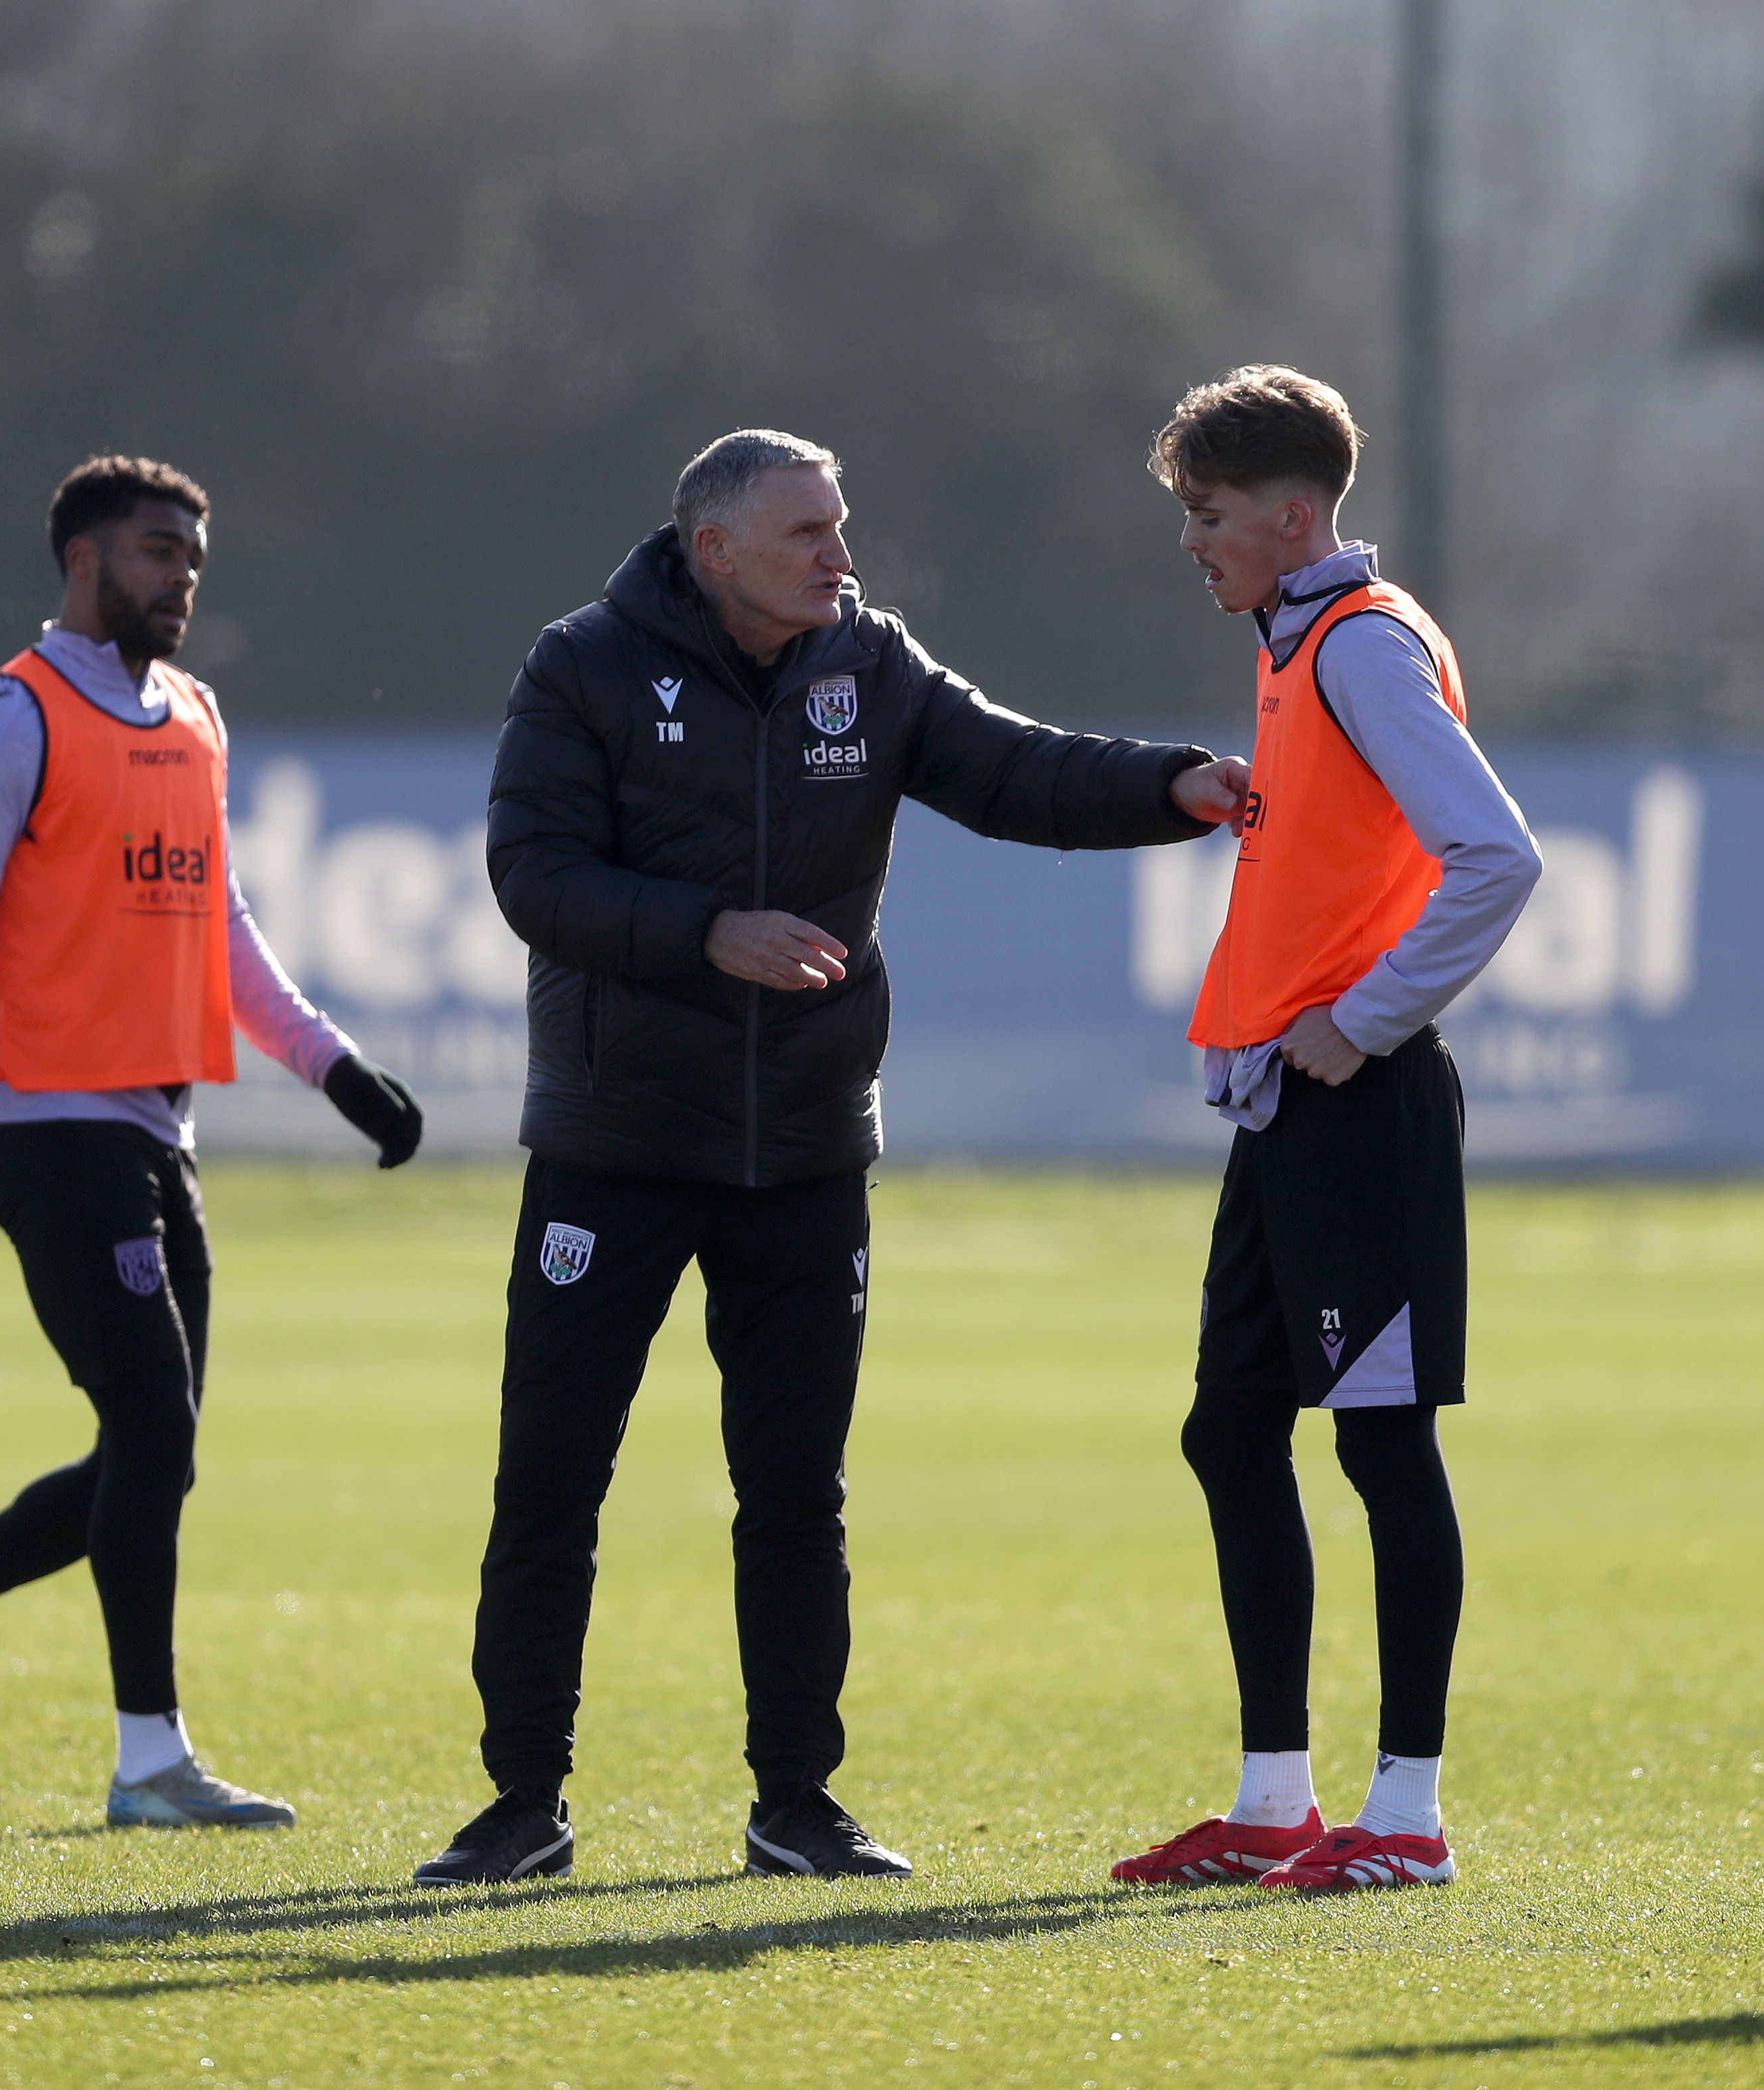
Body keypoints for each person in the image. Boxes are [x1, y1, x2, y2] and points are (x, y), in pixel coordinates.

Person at [412, 430, 1239, 1886]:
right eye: (807, 533)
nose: (839, 556)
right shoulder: (584, 665)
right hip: (614, 1148)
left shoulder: (868, 665)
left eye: (840, 527)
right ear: (712, 548)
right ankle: (518, 1803)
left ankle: (796, 1800)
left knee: (795, 1487)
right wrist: (703, 931)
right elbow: (530, 874)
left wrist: (1169, 785)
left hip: (802, 1149)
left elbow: (1014, 773)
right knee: (549, 1474)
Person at [0, 454, 424, 1831]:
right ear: (83, 559)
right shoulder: (5, 718)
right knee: (151, 1429)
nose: (182, 578)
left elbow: (223, 930)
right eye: (158, 552)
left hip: (158, 1130)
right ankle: (149, 1760)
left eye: (193, 557)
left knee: (152, 1449)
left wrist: (330, 1065)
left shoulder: (193, 716)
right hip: (44, 1129)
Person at [1109, 367, 1539, 1896]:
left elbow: (1495, 856)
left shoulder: (1356, 648)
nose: (1190, 543)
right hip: (1285, 1113)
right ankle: (1274, 1801)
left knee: (1379, 1446)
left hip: (1360, 1110)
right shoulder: (1302, 643)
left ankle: (1406, 1817)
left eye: (1207, 515)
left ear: (1292, 518)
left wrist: (1359, 1020)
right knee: (1228, 1429)